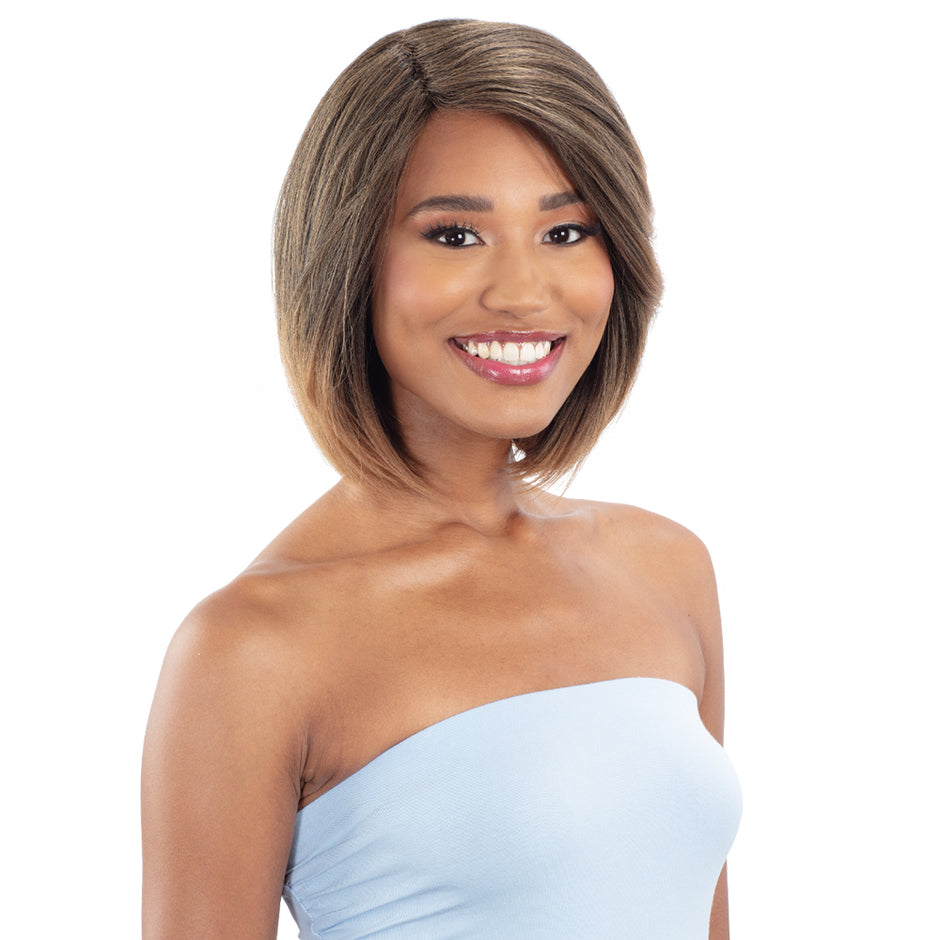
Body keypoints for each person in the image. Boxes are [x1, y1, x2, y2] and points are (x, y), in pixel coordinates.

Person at [142, 18, 742, 940]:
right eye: (456, 234)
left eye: (566, 231)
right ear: (348, 259)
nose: (522, 293)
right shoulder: (252, 649)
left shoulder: (666, 567)